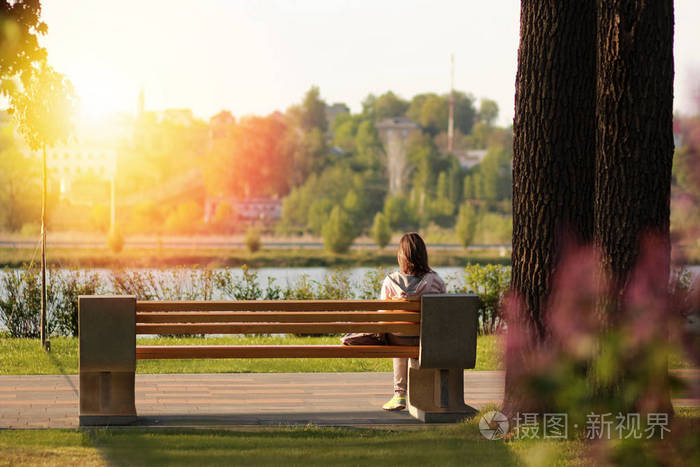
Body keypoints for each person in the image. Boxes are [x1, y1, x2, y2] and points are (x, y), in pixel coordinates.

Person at [379, 232, 446, 411]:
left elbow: (383, 316)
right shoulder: (436, 281)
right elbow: (441, 316)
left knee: (398, 332)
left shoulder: (390, 281)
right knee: (419, 335)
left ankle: (399, 394)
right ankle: (423, 395)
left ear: (401, 256)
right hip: (427, 340)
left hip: (398, 339)